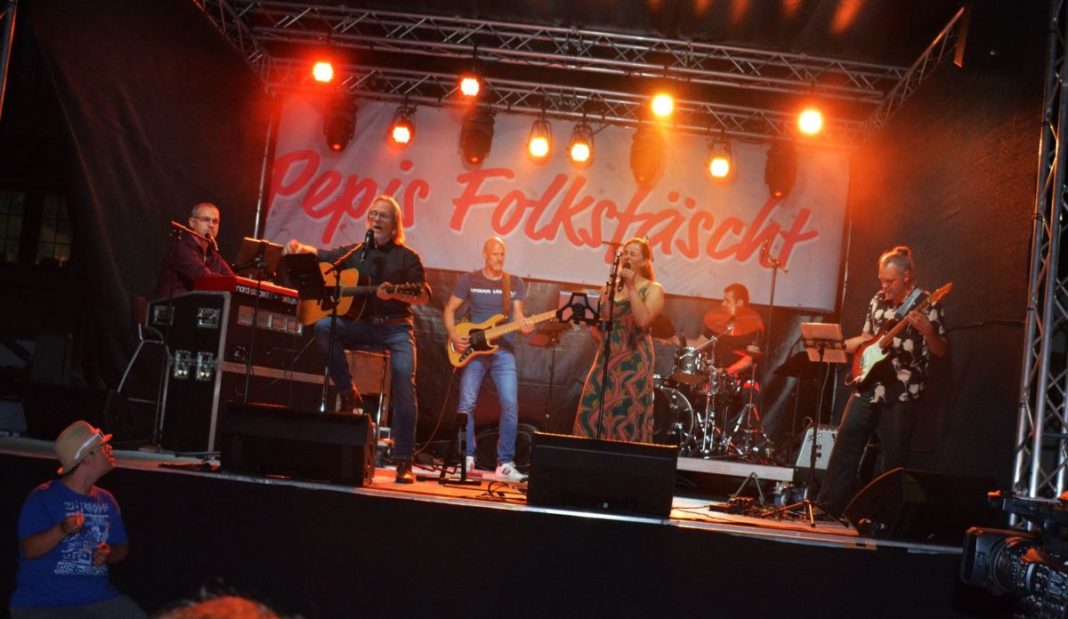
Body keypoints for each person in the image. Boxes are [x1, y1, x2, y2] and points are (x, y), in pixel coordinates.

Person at [285, 195, 430, 484]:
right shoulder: (355, 252)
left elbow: (424, 295)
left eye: (383, 215)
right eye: (373, 213)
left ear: (394, 225)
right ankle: (348, 390)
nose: (376, 218)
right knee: (324, 327)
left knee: (404, 380)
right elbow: (323, 256)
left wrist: (395, 293)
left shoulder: (408, 257)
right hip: (360, 325)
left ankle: (404, 460)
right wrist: (301, 249)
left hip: (395, 328)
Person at [817, 246, 947, 518]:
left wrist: (927, 330)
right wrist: (836, 345)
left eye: (890, 281)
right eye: (882, 280)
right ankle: (829, 508)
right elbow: (867, 338)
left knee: (893, 459)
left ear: (906, 277)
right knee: (845, 444)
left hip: (901, 391)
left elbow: (940, 350)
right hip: (869, 386)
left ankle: (883, 517)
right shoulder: (877, 300)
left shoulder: (927, 302)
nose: (884, 286)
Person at [9, 421, 147, 619]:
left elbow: (121, 548)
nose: (109, 449)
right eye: (103, 447)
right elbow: (29, 549)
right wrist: (62, 529)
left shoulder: (106, 499)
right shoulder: (43, 497)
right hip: (43, 602)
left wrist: (109, 553)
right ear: (87, 458)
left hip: (98, 599)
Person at [443, 237, 533, 482]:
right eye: (495, 253)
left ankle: (505, 464)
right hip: (474, 350)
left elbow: (518, 316)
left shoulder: (514, 283)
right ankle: (467, 458)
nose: (500, 258)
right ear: (484, 254)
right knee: (466, 404)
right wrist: (454, 336)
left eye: (503, 254)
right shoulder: (469, 280)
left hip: (503, 351)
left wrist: (526, 326)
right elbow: (450, 309)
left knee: (510, 404)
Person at [573, 237, 664, 442]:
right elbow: (598, 325)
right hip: (607, 356)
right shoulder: (608, 289)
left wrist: (631, 287)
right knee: (593, 406)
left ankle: (625, 457)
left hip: (634, 359)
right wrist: (604, 337)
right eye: (625, 253)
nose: (627, 257)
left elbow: (642, 320)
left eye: (633, 254)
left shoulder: (653, 289)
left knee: (627, 409)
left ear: (644, 261)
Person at [156, 202, 234, 298]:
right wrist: (225, 281)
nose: (211, 225)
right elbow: (203, 278)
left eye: (215, 221)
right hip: (172, 305)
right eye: (205, 220)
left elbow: (232, 280)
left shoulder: (214, 256)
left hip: (196, 304)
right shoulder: (181, 248)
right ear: (192, 222)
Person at [685, 283, 762, 378]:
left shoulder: (753, 326)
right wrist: (676, 340)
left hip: (736, 379)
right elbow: (700, 344)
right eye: (723, 300)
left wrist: (726, 371)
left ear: (739, 303)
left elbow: (748, 360)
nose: (723, 304)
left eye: (727, 301)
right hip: (712, 376)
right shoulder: (718, 323)